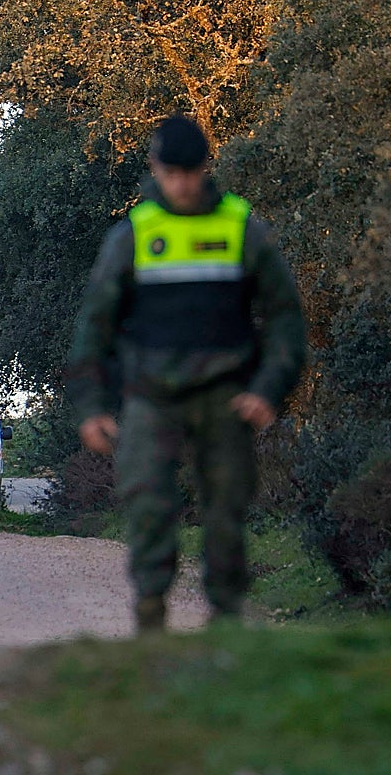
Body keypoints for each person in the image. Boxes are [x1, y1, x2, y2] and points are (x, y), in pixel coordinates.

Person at [65, 115, 306, 633]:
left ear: (205, 168)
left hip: (226, 395)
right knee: (148, 505)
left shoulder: (242, 228)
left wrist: (269, 388)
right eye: (172, 173)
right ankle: (151, 624)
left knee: (226, 512)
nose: (182, 184)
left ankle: (226, 626)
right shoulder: (134, 235)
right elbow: (95, 325)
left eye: (191, 172)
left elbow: (286, 317)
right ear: (155, 169)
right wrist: (90, 407)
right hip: (151, 396)